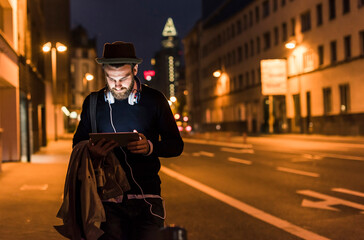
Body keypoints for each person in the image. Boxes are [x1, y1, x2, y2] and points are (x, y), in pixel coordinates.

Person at [73, 41, 184, 240]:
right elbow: (77, 145)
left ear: (135, 70)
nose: (117, 85)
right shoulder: (93, 103)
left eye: (123, 79)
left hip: (148, 199)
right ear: (104, 73)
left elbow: (176, 145)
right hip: (107, 200)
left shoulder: (155, 99)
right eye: (111, 78)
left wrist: (150, 147)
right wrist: (93, 153)